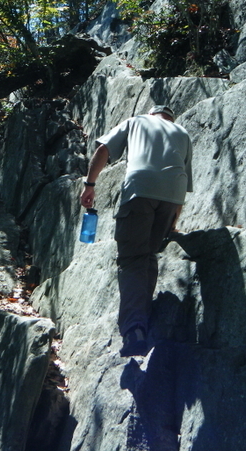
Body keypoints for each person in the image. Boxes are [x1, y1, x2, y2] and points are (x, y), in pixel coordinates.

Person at [80, 105, 193, 357]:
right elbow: (183, 183)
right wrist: (171, 223)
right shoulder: (182, 132)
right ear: (170, 119)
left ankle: (134, 330)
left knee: (132, 260)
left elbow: (103, 150)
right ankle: (144, 316)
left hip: (140, 188)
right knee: (149, 254)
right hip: (172, 196)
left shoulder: (137, 121)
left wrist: (89, 185)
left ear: (152, 115)